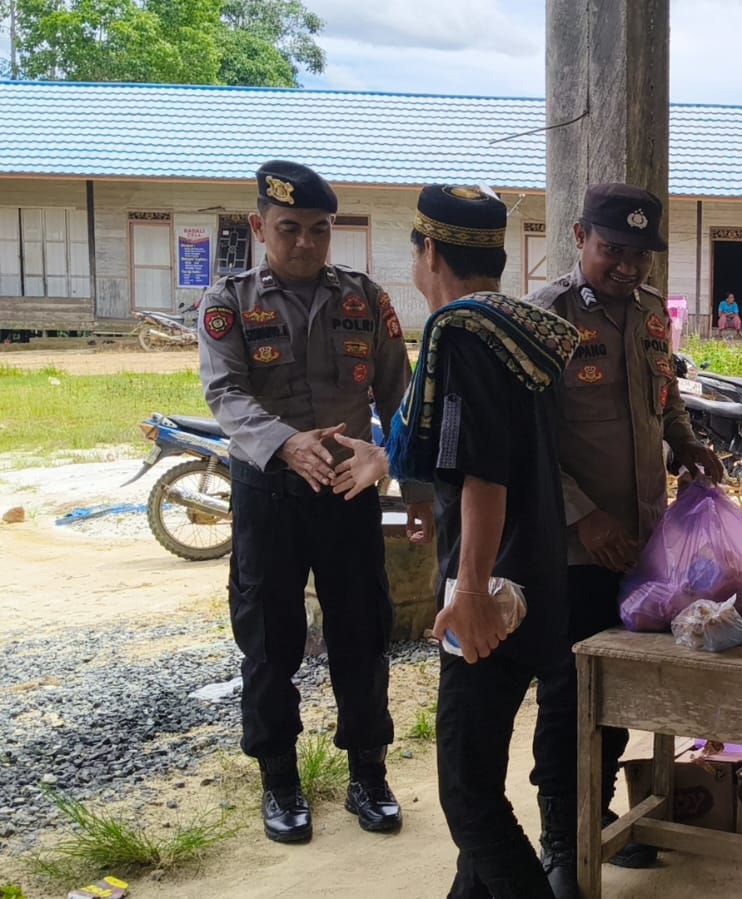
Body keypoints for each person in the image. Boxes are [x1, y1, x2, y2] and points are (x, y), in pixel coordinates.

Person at [198, 160, 430, 843]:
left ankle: (368, 773)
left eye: (319, 230)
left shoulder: (365, 298)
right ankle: (280, 781)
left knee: (362, 634)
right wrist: (286, 443)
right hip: (268, 491)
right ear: (259, 226)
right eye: (290, 229)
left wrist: (397, 470)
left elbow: (400, 394)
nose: (304, 242)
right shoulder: (229, 302)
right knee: (269, 642)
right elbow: (226, 393)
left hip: (348, 491)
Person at [526, 183, 725, 898]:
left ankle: (596, 810)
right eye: (613, 249)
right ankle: (558, 838)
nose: (628, 266)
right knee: (568, 690)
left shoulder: (648, 316)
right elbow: (530, 443)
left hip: (642, 541)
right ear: (580, 236)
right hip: (576, 546)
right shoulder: (543, 317)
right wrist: (584, 516)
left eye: (640, 254)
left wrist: (688, 446)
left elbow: (662, 400)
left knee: (618, 689)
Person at [384, 185, 580, 898]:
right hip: (539, 576)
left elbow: (482, 473)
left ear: (428, 250)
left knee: (469, 798)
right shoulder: (519, 325)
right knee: (481, 779)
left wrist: (468, 591)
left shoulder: (460, 332)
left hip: (494, 593)